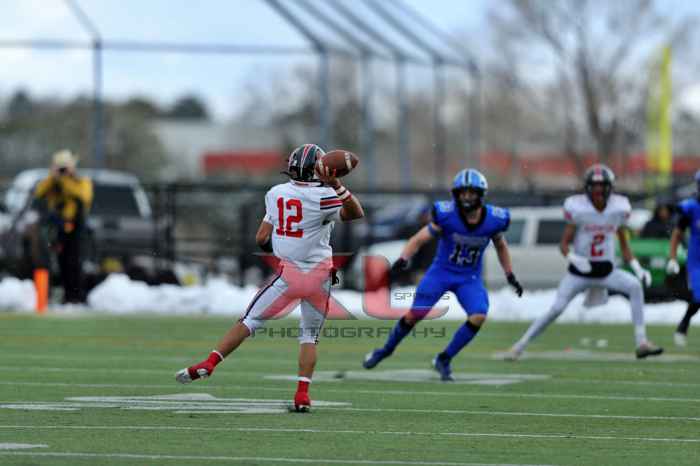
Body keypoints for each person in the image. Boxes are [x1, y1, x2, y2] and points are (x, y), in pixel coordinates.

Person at [176, 144, 364, 412]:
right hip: (319, 276)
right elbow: (356, 213)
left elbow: (261, 237)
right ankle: (302, 395)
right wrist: (336, 184)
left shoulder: (276, 193)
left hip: (289, 275)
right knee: (309, 336)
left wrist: (282, 249)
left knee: (249, 321)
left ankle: (210, 363)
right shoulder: (325, 197)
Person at [362, 168, 524, 381]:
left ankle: (444, 359)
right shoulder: (447, 215)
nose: (466, 197)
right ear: (456, 194)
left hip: (469, 278)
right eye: (462, 193)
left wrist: (509, 274)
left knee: (479, 315)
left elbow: (501, 246)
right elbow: (419, 239)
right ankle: (385, 350)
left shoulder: (494, 219)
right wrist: (403, 258)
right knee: (414, 316)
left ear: (480, 194)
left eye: (471, 193)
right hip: (441, 273)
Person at [506, 164, 663, 360]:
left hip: (606, 271)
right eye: (594, 186)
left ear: (609, 188)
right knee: (556, 308)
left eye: (602, 186)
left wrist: (637, 268)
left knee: (635, 286)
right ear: (587, 188)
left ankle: (641, 342)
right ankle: (519, 346)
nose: (598, 191)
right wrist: (575, 259)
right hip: (579, 273)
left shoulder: (618, 209)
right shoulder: (578, 209)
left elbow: (624, 246)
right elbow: (563, 246)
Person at [33, 149, 93, 304]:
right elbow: (39, 193)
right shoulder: (51, 181)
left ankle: (75, 296)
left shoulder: (82, 181)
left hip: (75, 227)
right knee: (59, 263)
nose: (63, 170)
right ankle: (61, 295)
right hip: (57, 228)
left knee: (74, 262)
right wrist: (53, 177)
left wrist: (64, 180)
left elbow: (84, 196)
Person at [666, 170, 700, 347]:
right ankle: (684, 324)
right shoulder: (692, 207)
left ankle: (683, 323)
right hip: (697, 261)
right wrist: (672, 258)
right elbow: (677, 234)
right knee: (699, 297)